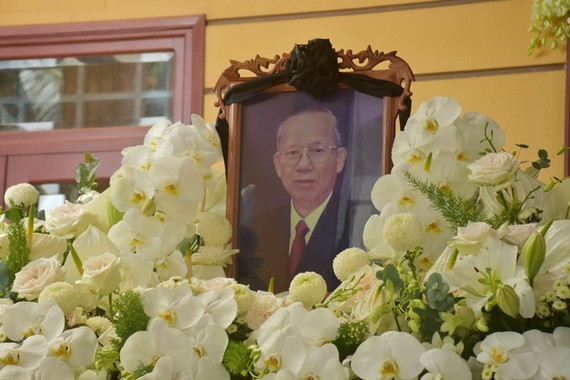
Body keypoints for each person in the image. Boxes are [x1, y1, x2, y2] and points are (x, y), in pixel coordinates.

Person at [238, 107, 350, 292]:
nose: (304, 165)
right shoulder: (256, 228)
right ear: (278, 164)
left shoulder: (354, 224)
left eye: (317, 150)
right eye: (292, 152)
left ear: (339, 160)